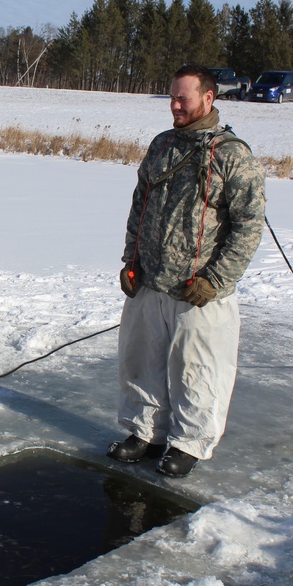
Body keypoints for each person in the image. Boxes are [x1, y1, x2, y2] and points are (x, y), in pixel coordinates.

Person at [107, 65, 265, 478]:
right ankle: (145, 431)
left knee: (198, 369)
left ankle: (189, 442)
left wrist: (216, 279)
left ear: (208, 98)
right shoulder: (161, 146)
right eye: (172, 98)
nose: (175, 106)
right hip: (150, 282)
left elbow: (249, 226)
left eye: (184, 98)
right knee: (141, 360)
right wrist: (130, 261)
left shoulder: (233, 155)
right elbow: (140, 206)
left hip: (199, 290)